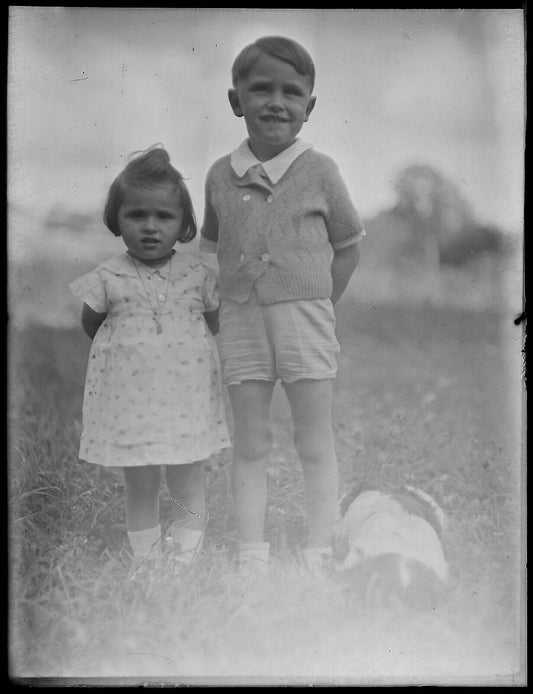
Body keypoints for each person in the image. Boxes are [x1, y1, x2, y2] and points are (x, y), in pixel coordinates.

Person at [199, 36, 366, 576]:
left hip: (306, 318)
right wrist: (215, 304)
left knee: (312, 438)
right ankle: (252, 553)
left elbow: (349, 245)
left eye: (291, 92)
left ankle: (322, 550)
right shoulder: (220, 175)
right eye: (261, 88)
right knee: (250, 440)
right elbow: (209, 244)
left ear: (309, 108)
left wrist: (321, 300)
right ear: (235, 99)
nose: (276, 101)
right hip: (241, 320)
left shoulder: (321, 170)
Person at [69, 145, 230, 578]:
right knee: (139, 478)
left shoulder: (199, 276)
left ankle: (185, 557)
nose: (151, 227)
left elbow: (213, 323)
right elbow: (94, 325)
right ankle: (146, 558)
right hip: (131, 401)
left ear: (183, 225)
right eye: (137, 215)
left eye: (164, 217)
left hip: (186, 397)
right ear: (116, 220)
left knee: (186, 475)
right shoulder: (108, 276)